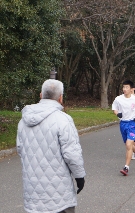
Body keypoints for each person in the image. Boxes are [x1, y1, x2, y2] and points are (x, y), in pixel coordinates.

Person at [16, 79, 86, 213]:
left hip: (32, 193)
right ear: (60, 98)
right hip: (59, 194)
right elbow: (72, 154)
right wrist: (79, 176)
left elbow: (20, 150)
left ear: (41, 95)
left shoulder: (23, 121)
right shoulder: (63, 119)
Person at [112, 80, 135, 175]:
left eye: (127, 87)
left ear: (131, 89)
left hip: (132, 124)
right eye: (124, 87)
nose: (125, 89)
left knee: (128, 145)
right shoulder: (118, 99)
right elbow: (114, 108)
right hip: (123, 124)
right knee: (128, 145)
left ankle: (126, 168)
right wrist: (118, 114)